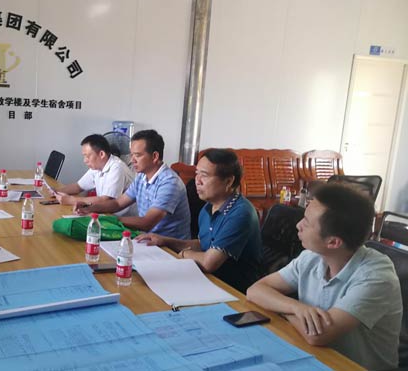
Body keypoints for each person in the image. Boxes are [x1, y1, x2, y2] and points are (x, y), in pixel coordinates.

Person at [247, 183, 402, 371]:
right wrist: (296, 307)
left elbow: (317, 335)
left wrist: (279, 307)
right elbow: (255, 291)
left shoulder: (377, 276)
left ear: (333, 242)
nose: (298, 225)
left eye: (306, 222)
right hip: (314, 356)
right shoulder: (312, 257)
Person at [136, 148, 262, 292]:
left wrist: (184, 254)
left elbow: (209, 263)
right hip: (207, 280)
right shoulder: (208, 207)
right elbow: (204, 244)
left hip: (233, 290)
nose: (197, 181)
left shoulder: (241, 213)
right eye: (197, 174)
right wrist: (165, 241)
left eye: (205, 175)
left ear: (229, 181)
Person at [75, 129, 190, 239]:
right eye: (131, 155)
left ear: (155, 156)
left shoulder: (169, 183)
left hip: (167, 247)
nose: (132, 160)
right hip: (144, 238)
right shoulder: (142, 176)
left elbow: (147, 223)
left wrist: (107, 219)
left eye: (137, 155)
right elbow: (118, 203)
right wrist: (90, 208)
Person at [54, 134, 136, 216]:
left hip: (124, 218)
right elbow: (78, 186)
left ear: (101, 154)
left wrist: (71, 200)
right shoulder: (97, 167)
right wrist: (56, 192)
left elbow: (106, 200)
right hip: (106, 212)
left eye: (87, 156)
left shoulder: (117, 168)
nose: (85, 160)